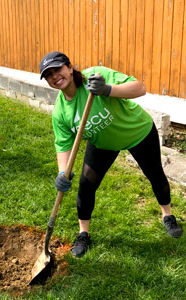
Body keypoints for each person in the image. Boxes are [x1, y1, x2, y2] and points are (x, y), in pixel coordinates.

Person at [39, 51, 183, 258]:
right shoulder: (61, 111)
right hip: (103, 144)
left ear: (69, 68)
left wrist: (107, 89)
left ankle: (167, 215)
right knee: (86, 185)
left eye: (58, 69)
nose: (55, 76)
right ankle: (83, 233)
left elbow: (139, 88)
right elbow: (63, 144)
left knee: (154, 174)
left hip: (137, 132)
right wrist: (63, 173)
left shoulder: (96, 76)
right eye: (48, 74)